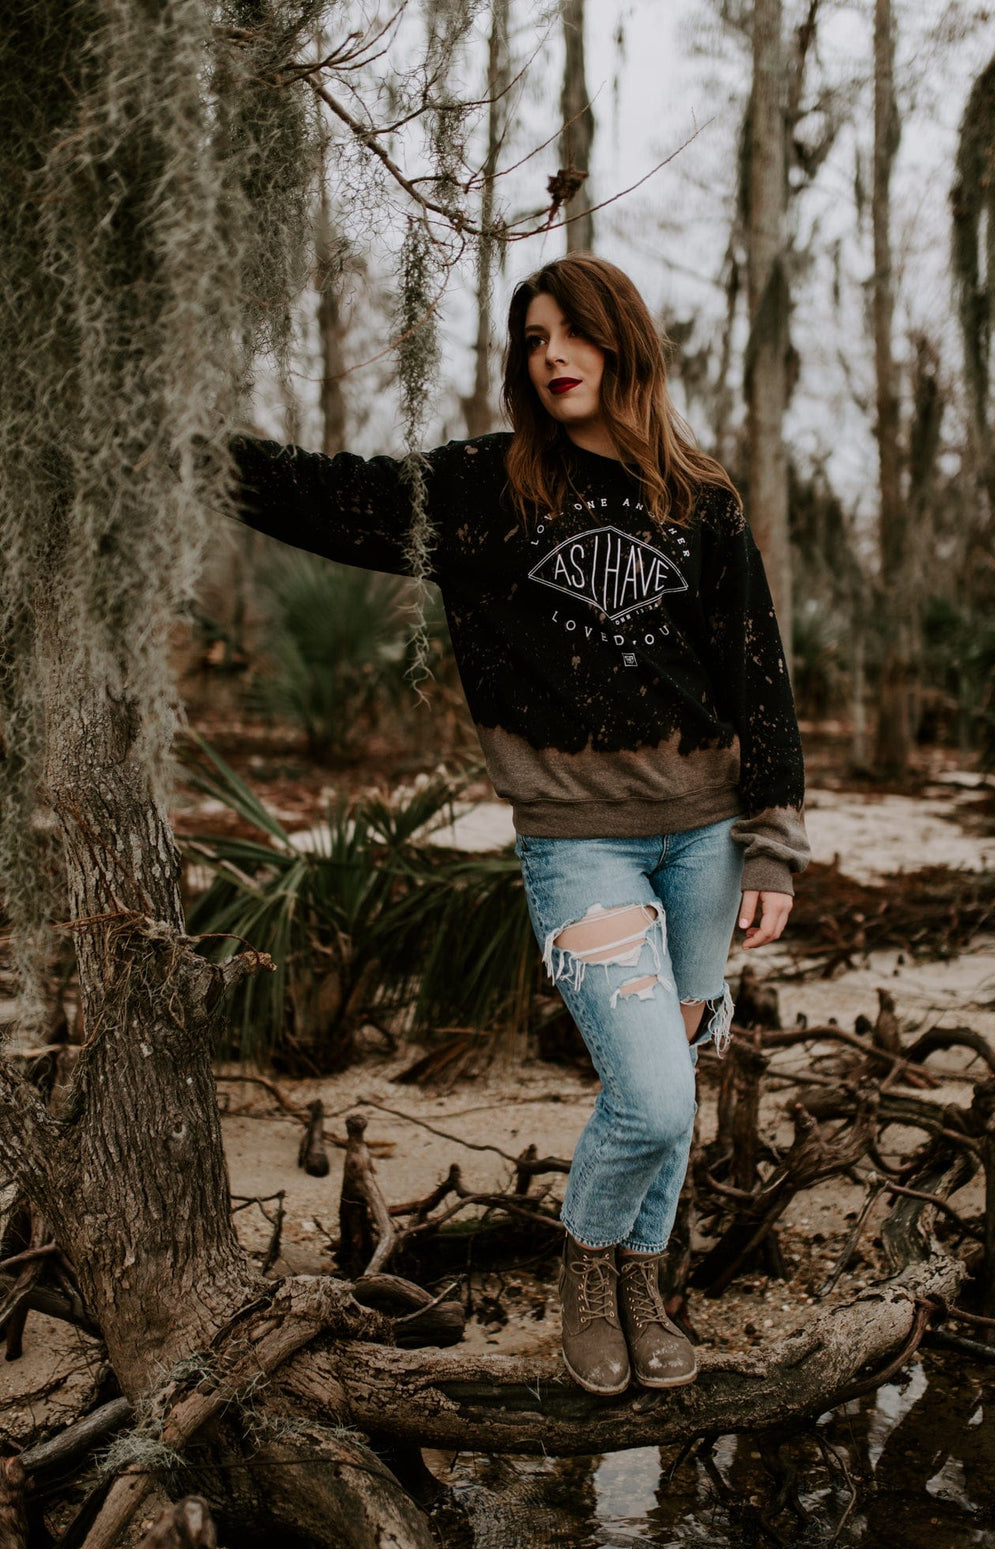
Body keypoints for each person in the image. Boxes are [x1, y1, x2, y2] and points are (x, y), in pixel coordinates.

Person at [225, 251, 810, 1397]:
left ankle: (645, 1282)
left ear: (620, 341)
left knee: (680, 1086)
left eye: (571, 333)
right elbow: (334, 498)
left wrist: (775, 842)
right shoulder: (489, 489)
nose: (551, 356)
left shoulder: (704, 499)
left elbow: (759, 674)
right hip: (577, 843)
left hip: (705, 838)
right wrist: (184, 448)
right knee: (648, 1093)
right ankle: (584, 1274)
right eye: (533, 339)